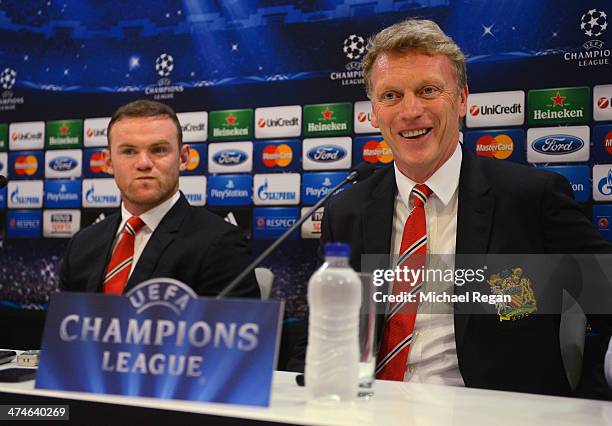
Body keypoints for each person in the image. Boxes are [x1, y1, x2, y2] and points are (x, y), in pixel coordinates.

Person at [289, 19, 612, 398]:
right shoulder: (348, 209)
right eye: (391, 96)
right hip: (367, 407)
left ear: (461, 99)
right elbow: (323, 335)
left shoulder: (530, 197)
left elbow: (606, 298)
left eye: (428, 90)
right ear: (373, 113)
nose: (410, 111)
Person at [60, 100, 259, 299]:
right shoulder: (81, 244)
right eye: (129, 151)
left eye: (158, 150)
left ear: (183, 158)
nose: (144, 163)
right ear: (109, 162)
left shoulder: (221, 244)